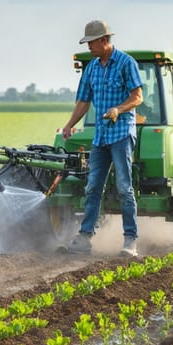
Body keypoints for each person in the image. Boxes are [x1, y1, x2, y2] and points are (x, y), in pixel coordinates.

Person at [61, 20, 143, 256]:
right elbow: (84, 102)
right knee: (93, 186)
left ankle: (130, 241)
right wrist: (69, 125)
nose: (89, 47)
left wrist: (119, 109)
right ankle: (85, 237)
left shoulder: (127, 63)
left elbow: (137, 97)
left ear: (104, 40)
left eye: (92, 43)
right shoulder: (92, 68)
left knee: (125, 188)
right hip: (100, 137)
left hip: (121, 134)